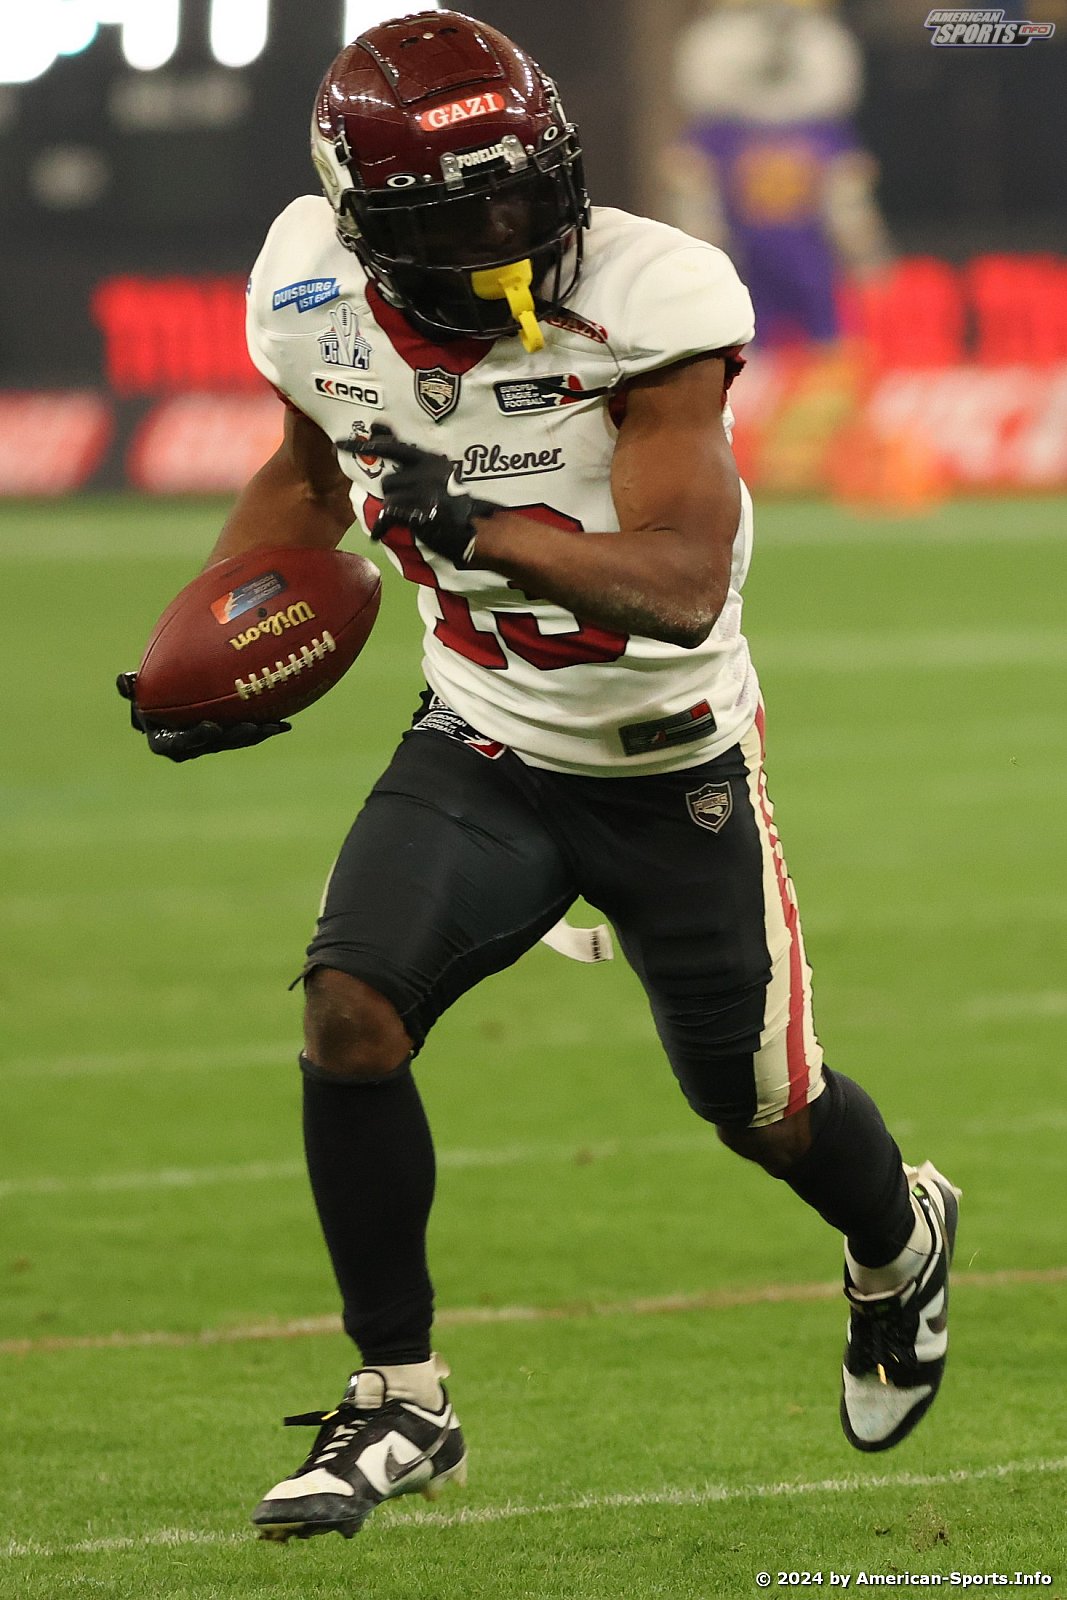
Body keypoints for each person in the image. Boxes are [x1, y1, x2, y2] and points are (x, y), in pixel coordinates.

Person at [118, 10, 960, 1545]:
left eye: (524, 189)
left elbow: (683, 583)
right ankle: (400, 1396)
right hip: (483, 735)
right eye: (464, 214)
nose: (511, 231)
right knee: (348, 1011)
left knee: (765, 1114)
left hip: (670, 765)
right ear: (374, 230)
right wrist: (206, 648)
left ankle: (899, 1239)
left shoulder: (653, 295)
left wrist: (477, 526)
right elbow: (307, 482)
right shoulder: (310, 290)